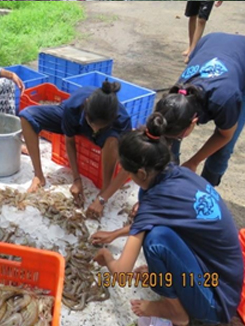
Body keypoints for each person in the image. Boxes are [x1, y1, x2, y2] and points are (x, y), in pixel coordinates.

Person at [91, 113, 243, 325]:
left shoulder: (153, 203)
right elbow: (161, 220)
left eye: (128, 171)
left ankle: (175, 311)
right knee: (156, 233)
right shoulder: (179, 174)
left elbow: (122, 272)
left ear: (142, 174)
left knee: (155, 240)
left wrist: (107, 257)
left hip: (216, 301)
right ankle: (171, 284)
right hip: (227, 279)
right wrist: (115, 234)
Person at [19, 81, 131, 218]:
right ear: (86, 104)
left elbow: (128, 167)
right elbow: (69, 140)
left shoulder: (122, 120)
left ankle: (104, 190)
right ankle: (38, 176)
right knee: (26, 116)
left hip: (106, 136)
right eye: (93, 124)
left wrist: (103, 198)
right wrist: (76, 179)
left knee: (113, 141)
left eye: (100, 127)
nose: (95, 130)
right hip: (78, 122)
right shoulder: (73, 107)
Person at [155, 32, 245, 186]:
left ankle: (207, 189)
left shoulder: (226, 99)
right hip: (211, 42)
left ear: (193, 122)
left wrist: (193, 162)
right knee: (170, 137)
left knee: (222, 149)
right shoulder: (177, 94)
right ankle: (171, 179)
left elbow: (224, 136)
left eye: (179, 136)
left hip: (237, 64)